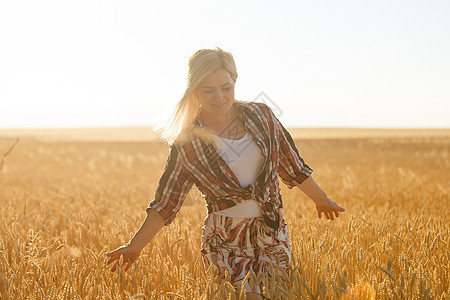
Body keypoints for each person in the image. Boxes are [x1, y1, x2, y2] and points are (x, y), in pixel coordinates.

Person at [105, 47, 346, 299]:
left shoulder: (262, 115)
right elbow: (167, 201)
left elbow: (292, 165)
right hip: (224, 241)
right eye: (208, 90)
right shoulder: (188, 141)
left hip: (272, 233)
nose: (219, 97)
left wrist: (321, 199)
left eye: (225, 87)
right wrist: (135, 246)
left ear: (235, 81)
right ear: (195, 90)